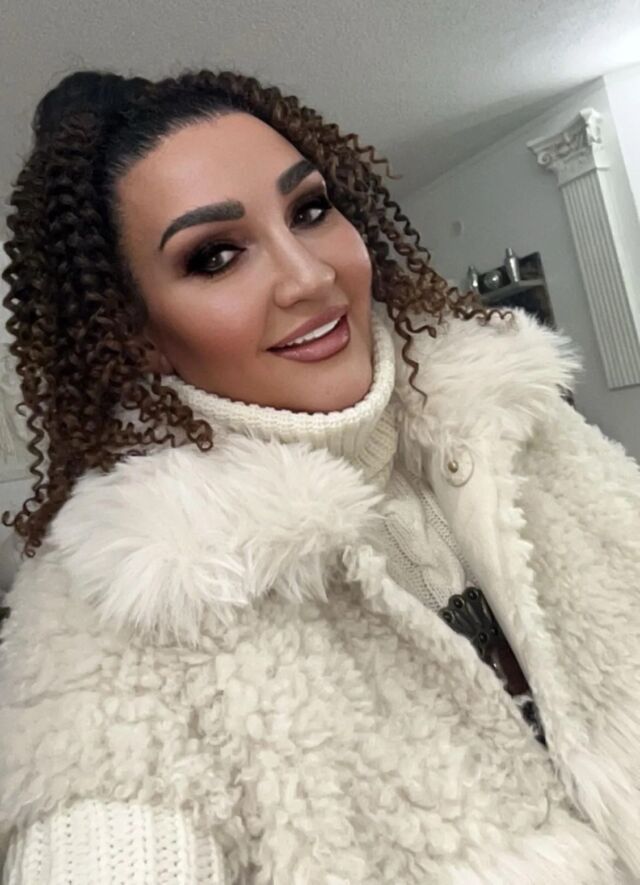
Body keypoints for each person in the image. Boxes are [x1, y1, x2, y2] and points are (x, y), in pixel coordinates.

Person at [0, 67, 639, 885]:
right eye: (215, 256)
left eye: (308, 210)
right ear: (135, 334)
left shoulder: (520, 419)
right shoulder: (114, 609)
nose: (309, 276)